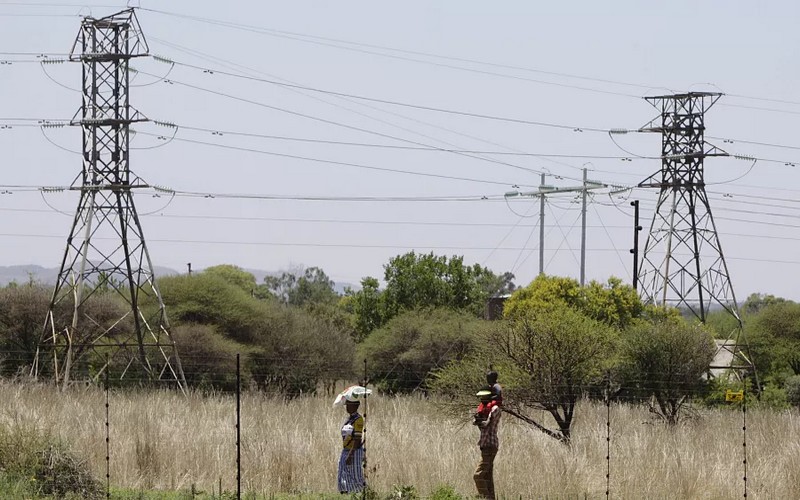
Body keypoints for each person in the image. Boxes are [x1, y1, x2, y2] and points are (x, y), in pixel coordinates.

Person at [473, 387, 501, 499]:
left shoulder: (494, 409)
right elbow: (478, 424)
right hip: (484, 445)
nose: (482, 399)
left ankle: (485, 497)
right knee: (487, 478)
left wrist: (480, 420)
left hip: (490, 445)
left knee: (478, 476)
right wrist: (478, 419)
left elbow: (487, 424)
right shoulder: (483, 409)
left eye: (484, 397)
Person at [338, 398, 366, 494]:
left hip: (354, 451)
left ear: (356, 406)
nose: (347, 407)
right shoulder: (349, 419)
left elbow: (357, 439)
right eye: (346, 404)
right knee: (343, 473)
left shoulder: (358, 419)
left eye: (349, 404)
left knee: (355, 475)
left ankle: (359, 494)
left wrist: (351, 454)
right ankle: (345, 493)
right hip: (345, 450)